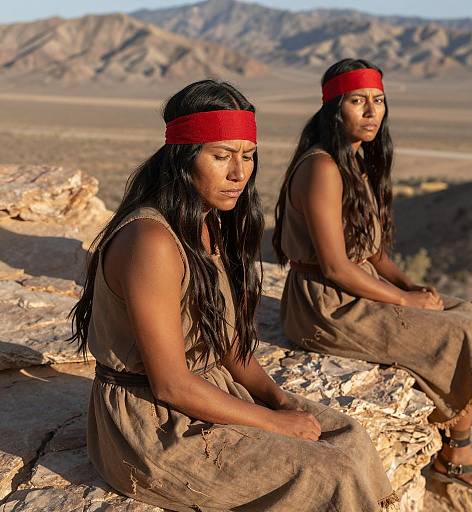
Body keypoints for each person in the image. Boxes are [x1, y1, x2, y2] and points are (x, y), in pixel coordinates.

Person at [69, 79, 397, 511]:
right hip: (152, 424)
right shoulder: (151, 240)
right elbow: (170, 384)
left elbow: (228, 347)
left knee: (347, 436)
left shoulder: (211, 222)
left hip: (208, 389)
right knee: (327, 473)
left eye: (248, 156)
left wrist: (279, 400)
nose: (239, 173)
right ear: (184, 157)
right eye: (221, 156)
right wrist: (276, 424)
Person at [272, 59, 472, 496]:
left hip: (356, 290)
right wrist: (406, 303)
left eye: (378, 101)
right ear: (333, 108)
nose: (371, 112)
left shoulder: (357, 162)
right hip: (326, 306)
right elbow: (336, 267)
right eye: (358, 101)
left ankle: (454, 443)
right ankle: (455, 457)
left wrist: (406, 284)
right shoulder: (322, 167)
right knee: (454, 330)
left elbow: (372, 252)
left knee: (468, 313)